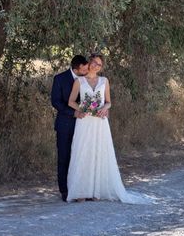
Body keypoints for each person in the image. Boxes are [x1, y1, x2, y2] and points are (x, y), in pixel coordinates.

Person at [66, 53, 151, 204]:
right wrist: (82, 108)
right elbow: (71, 101)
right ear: (89, 62)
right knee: (83, 153)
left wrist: (105, 108)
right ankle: (81, 191)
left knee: (99, 153)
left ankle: (96, 190)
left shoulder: (104, 81)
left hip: (100, 122)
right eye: (94, 63)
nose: (96, 66)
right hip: (85, 122)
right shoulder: (79, 81)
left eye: (99, 64)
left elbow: (109, 102)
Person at [50, 55, 89, 202]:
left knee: (81, 157)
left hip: (84, 125)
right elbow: (56, 102)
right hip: (65, 124)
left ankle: (81, 189)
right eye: (84, 69)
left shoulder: (86, 79)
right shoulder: (60, 79)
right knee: (64, 157)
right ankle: (65, 190)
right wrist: (73, 112)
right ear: (76, 68)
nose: (86, 71)